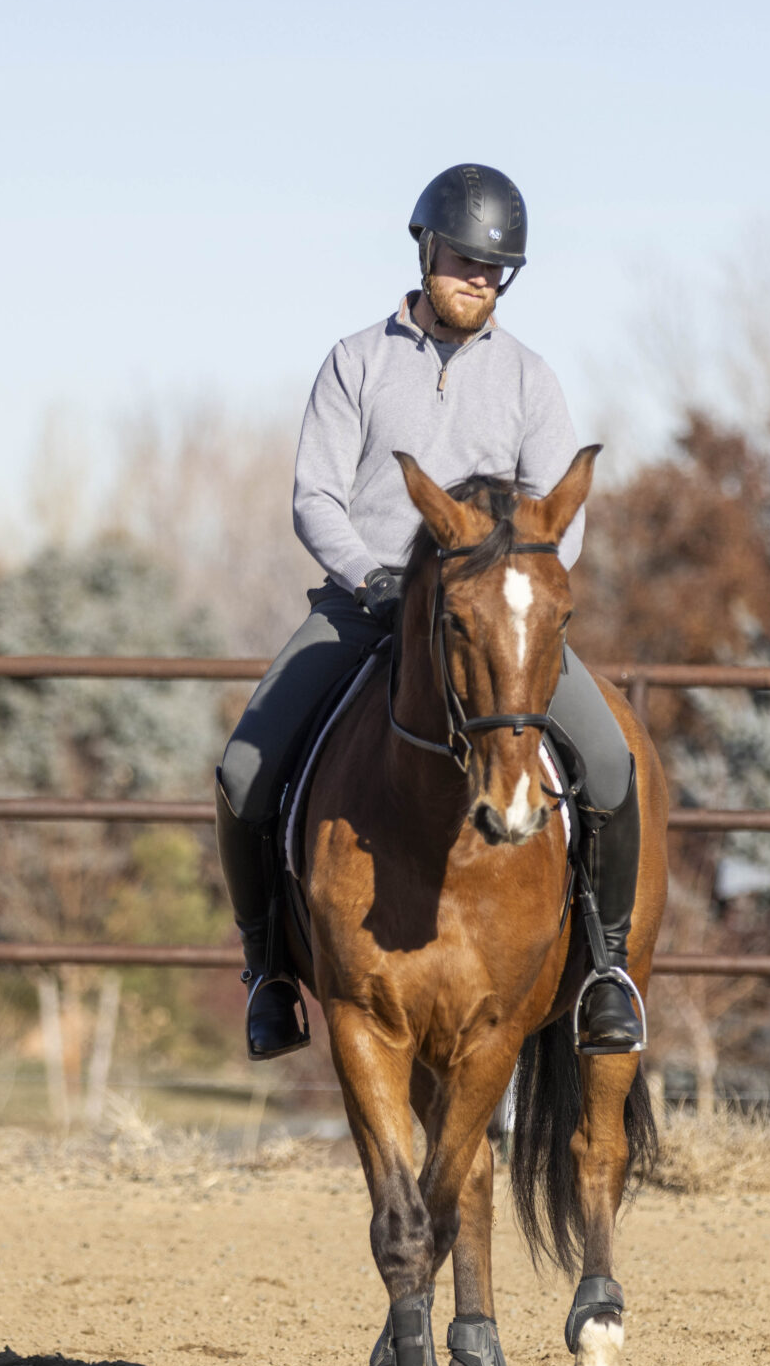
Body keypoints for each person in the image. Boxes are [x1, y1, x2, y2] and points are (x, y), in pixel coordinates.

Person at [214, 162, 645, 1062]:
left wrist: (509, 598)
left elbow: (561, 522)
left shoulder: (530, 379)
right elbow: (315, 498)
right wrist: (373, 577)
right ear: (424, 251)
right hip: (363, 608)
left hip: (493, 628)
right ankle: (269, 974)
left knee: (608, 762)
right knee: (243, 772)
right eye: (463, 262)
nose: (478, 281)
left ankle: (605, 971)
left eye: (495, 271)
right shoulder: (355, 362)